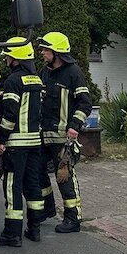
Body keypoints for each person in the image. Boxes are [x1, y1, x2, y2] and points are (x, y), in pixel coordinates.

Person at [0, 37, 47, 246]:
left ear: (15, 58)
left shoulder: (13, 81)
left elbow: (9, 114)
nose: (6, 59)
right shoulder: (37, 80)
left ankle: (12, 233)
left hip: (16, 144)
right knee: (33, 185)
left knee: (12, 187)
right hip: (35, 143)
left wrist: (1, 139)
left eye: (8, 55)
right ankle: (34, 229)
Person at [37, 31, 90, 233]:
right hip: (44, 135)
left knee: (64, 177)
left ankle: (73, 218)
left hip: (63, 138)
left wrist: (74, 126)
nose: (42, 52)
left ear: (56, 52)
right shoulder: (45, 72)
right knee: (38, 172)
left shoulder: (73, 73)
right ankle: (47, 208)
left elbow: (85, 103)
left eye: (46, 49)